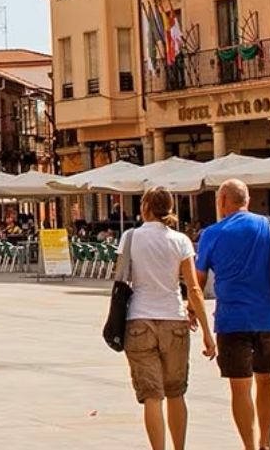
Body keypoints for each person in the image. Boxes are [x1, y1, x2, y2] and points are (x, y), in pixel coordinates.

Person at [196, 179, 270, 450]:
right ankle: (266, 443)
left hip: (231, 320)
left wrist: (192, 310)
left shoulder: (211, 233)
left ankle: (250, 447)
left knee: (239, 386)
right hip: (269, 317)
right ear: (247, 200)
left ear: (221, 201)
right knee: (267, 378)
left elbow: (197, 280)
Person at [117, 186, 215, 450]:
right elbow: (194, 288)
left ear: (145, 207)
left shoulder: (130, 237)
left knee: (152, 396)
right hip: (174, 319)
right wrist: (207, 332)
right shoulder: (181, 240)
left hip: (139, 320)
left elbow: (118, 280)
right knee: (176, 392)